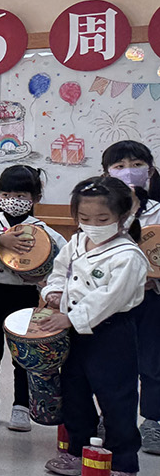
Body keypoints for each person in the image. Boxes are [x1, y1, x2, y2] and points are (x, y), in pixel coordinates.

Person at [40, 175, 147, 476]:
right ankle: (77, 448)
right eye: (84, 219)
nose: (92, 225)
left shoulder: (128, 256)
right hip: (73, 330)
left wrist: (70, 317)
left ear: (122, 217)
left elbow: (108, 300)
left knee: (117, 398)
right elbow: (60, 271)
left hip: (111, 333)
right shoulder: (76, 242)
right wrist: (55, 291)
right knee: (74, 390)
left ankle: (124, 464)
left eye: (102, 219)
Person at [0, 164, 66, 431]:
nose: (13, 200)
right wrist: (0, 240)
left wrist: (44, 279)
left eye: (21, 195)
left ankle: (21, 405)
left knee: (23, 351)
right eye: (7, 193)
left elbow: (63, 256)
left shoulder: (41, 229)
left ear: (35, 198)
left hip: (23, 295)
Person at [101, 140, 160, 455]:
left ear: (149, 170)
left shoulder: (159, 212)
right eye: (119, 166)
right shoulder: (101, 211)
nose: (128, 171)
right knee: (110, 361)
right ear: (106, 173)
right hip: (112, 299)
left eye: (136, 165)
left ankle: (154, 422)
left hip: (151, 300)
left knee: (152, 361)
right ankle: (109, 417)